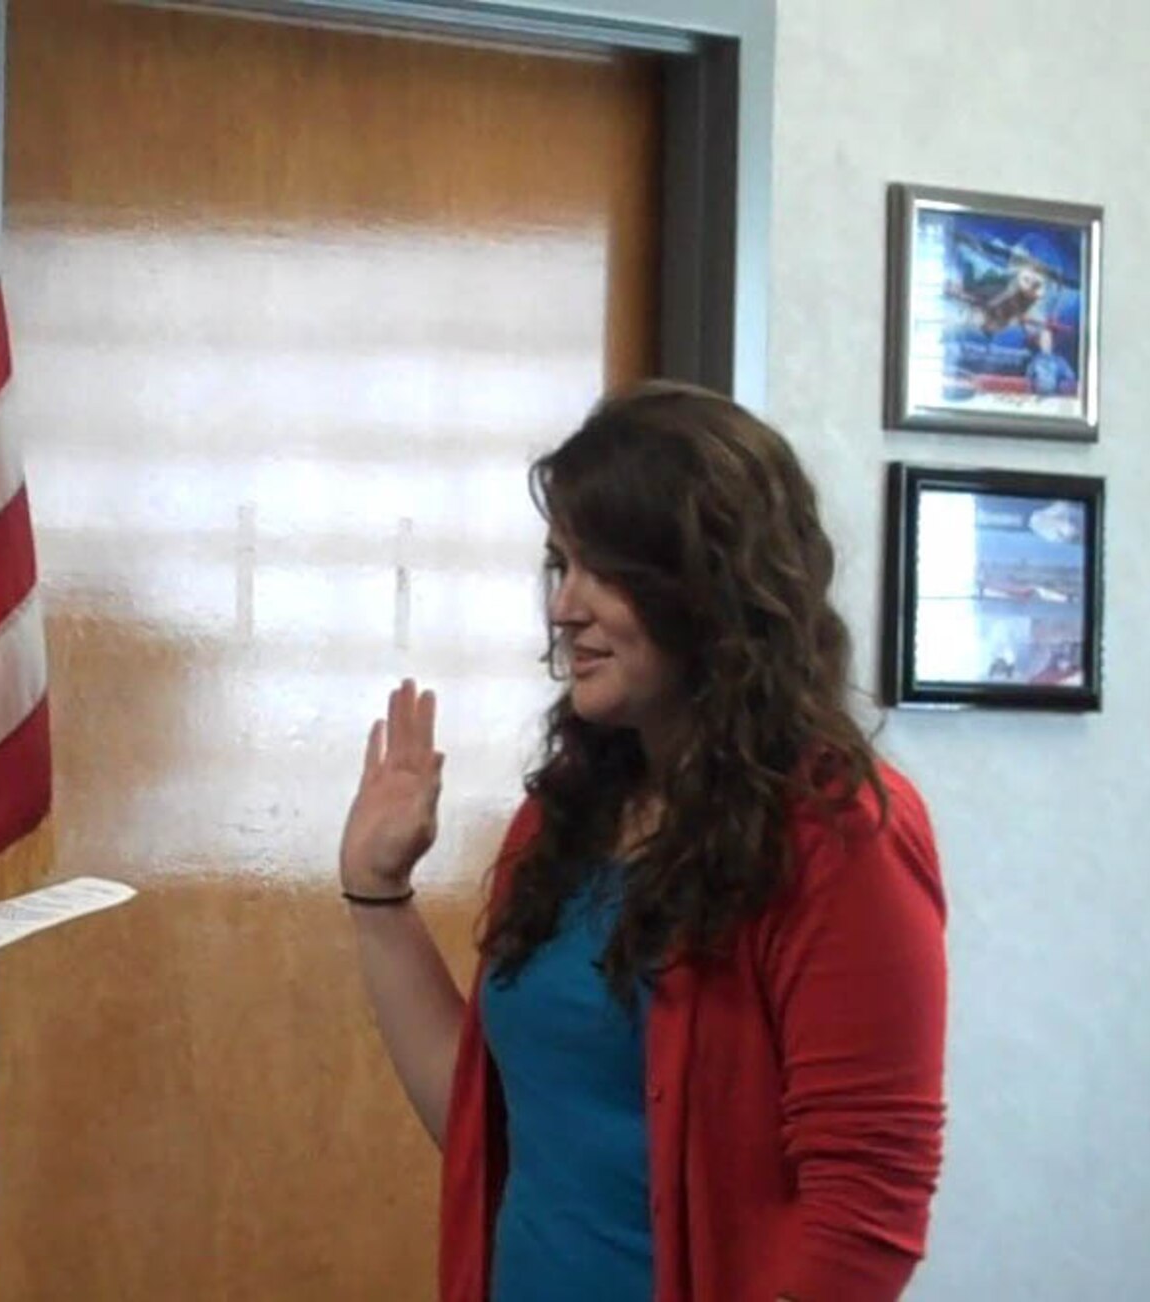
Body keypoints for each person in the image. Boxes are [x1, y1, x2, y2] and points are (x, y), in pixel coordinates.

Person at [338, 382, 947, 1301]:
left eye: (602, 571)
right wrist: (377, 898)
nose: (562, 609)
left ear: (708, 586)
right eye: (560, 566)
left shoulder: (840, 835)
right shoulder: (563, 816)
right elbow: (489, 1124)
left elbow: (867, 1215)